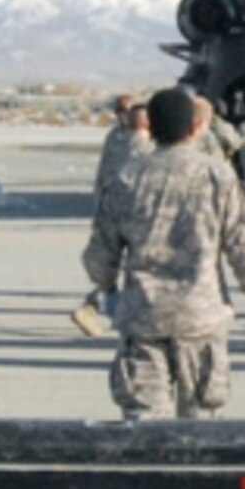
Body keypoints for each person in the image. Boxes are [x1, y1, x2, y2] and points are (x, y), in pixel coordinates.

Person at [81, 88, 245, 419]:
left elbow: (100, 250)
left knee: (144, 429)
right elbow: (242, 245)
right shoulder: (218, 176)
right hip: (200, 318)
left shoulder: (128, 177)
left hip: (144, 318)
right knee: (201, 428)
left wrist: (108, 288)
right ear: (194, 128)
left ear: (150, 128)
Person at [74, 98, 152, 336]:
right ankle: (97, 307)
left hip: (110, 208)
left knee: (113, 263)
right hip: (132, 213)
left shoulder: (116, 137)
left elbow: (103, 174)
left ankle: (93, 306)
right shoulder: (143, 147)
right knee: (134, 265)